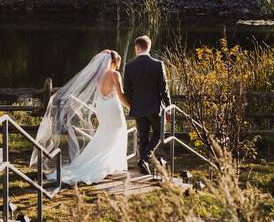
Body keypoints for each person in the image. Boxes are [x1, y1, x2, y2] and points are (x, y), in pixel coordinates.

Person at [33, 50, 130, 185]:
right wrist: (131, 106)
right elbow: (121, 94)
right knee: (117, 132)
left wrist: (104, 52)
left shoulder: (98, 76)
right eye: (117, 63)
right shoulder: (114, 74)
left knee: (104, 133)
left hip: (101, 107)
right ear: (113, 62)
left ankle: (106, 163)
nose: (117, 66)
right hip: (112, 107)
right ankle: (108, 164)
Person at [123, 35, 171, 174]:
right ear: (148, 47)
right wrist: (168, 107)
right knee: (159, 133)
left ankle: (143, 163)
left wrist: (133, 105)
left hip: (138, 108)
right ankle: (144, 160)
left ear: (138, 47)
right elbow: (164, 88)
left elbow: (127, 91)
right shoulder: (158, 64)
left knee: (143, 137)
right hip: (154, 107)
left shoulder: (129, 66)